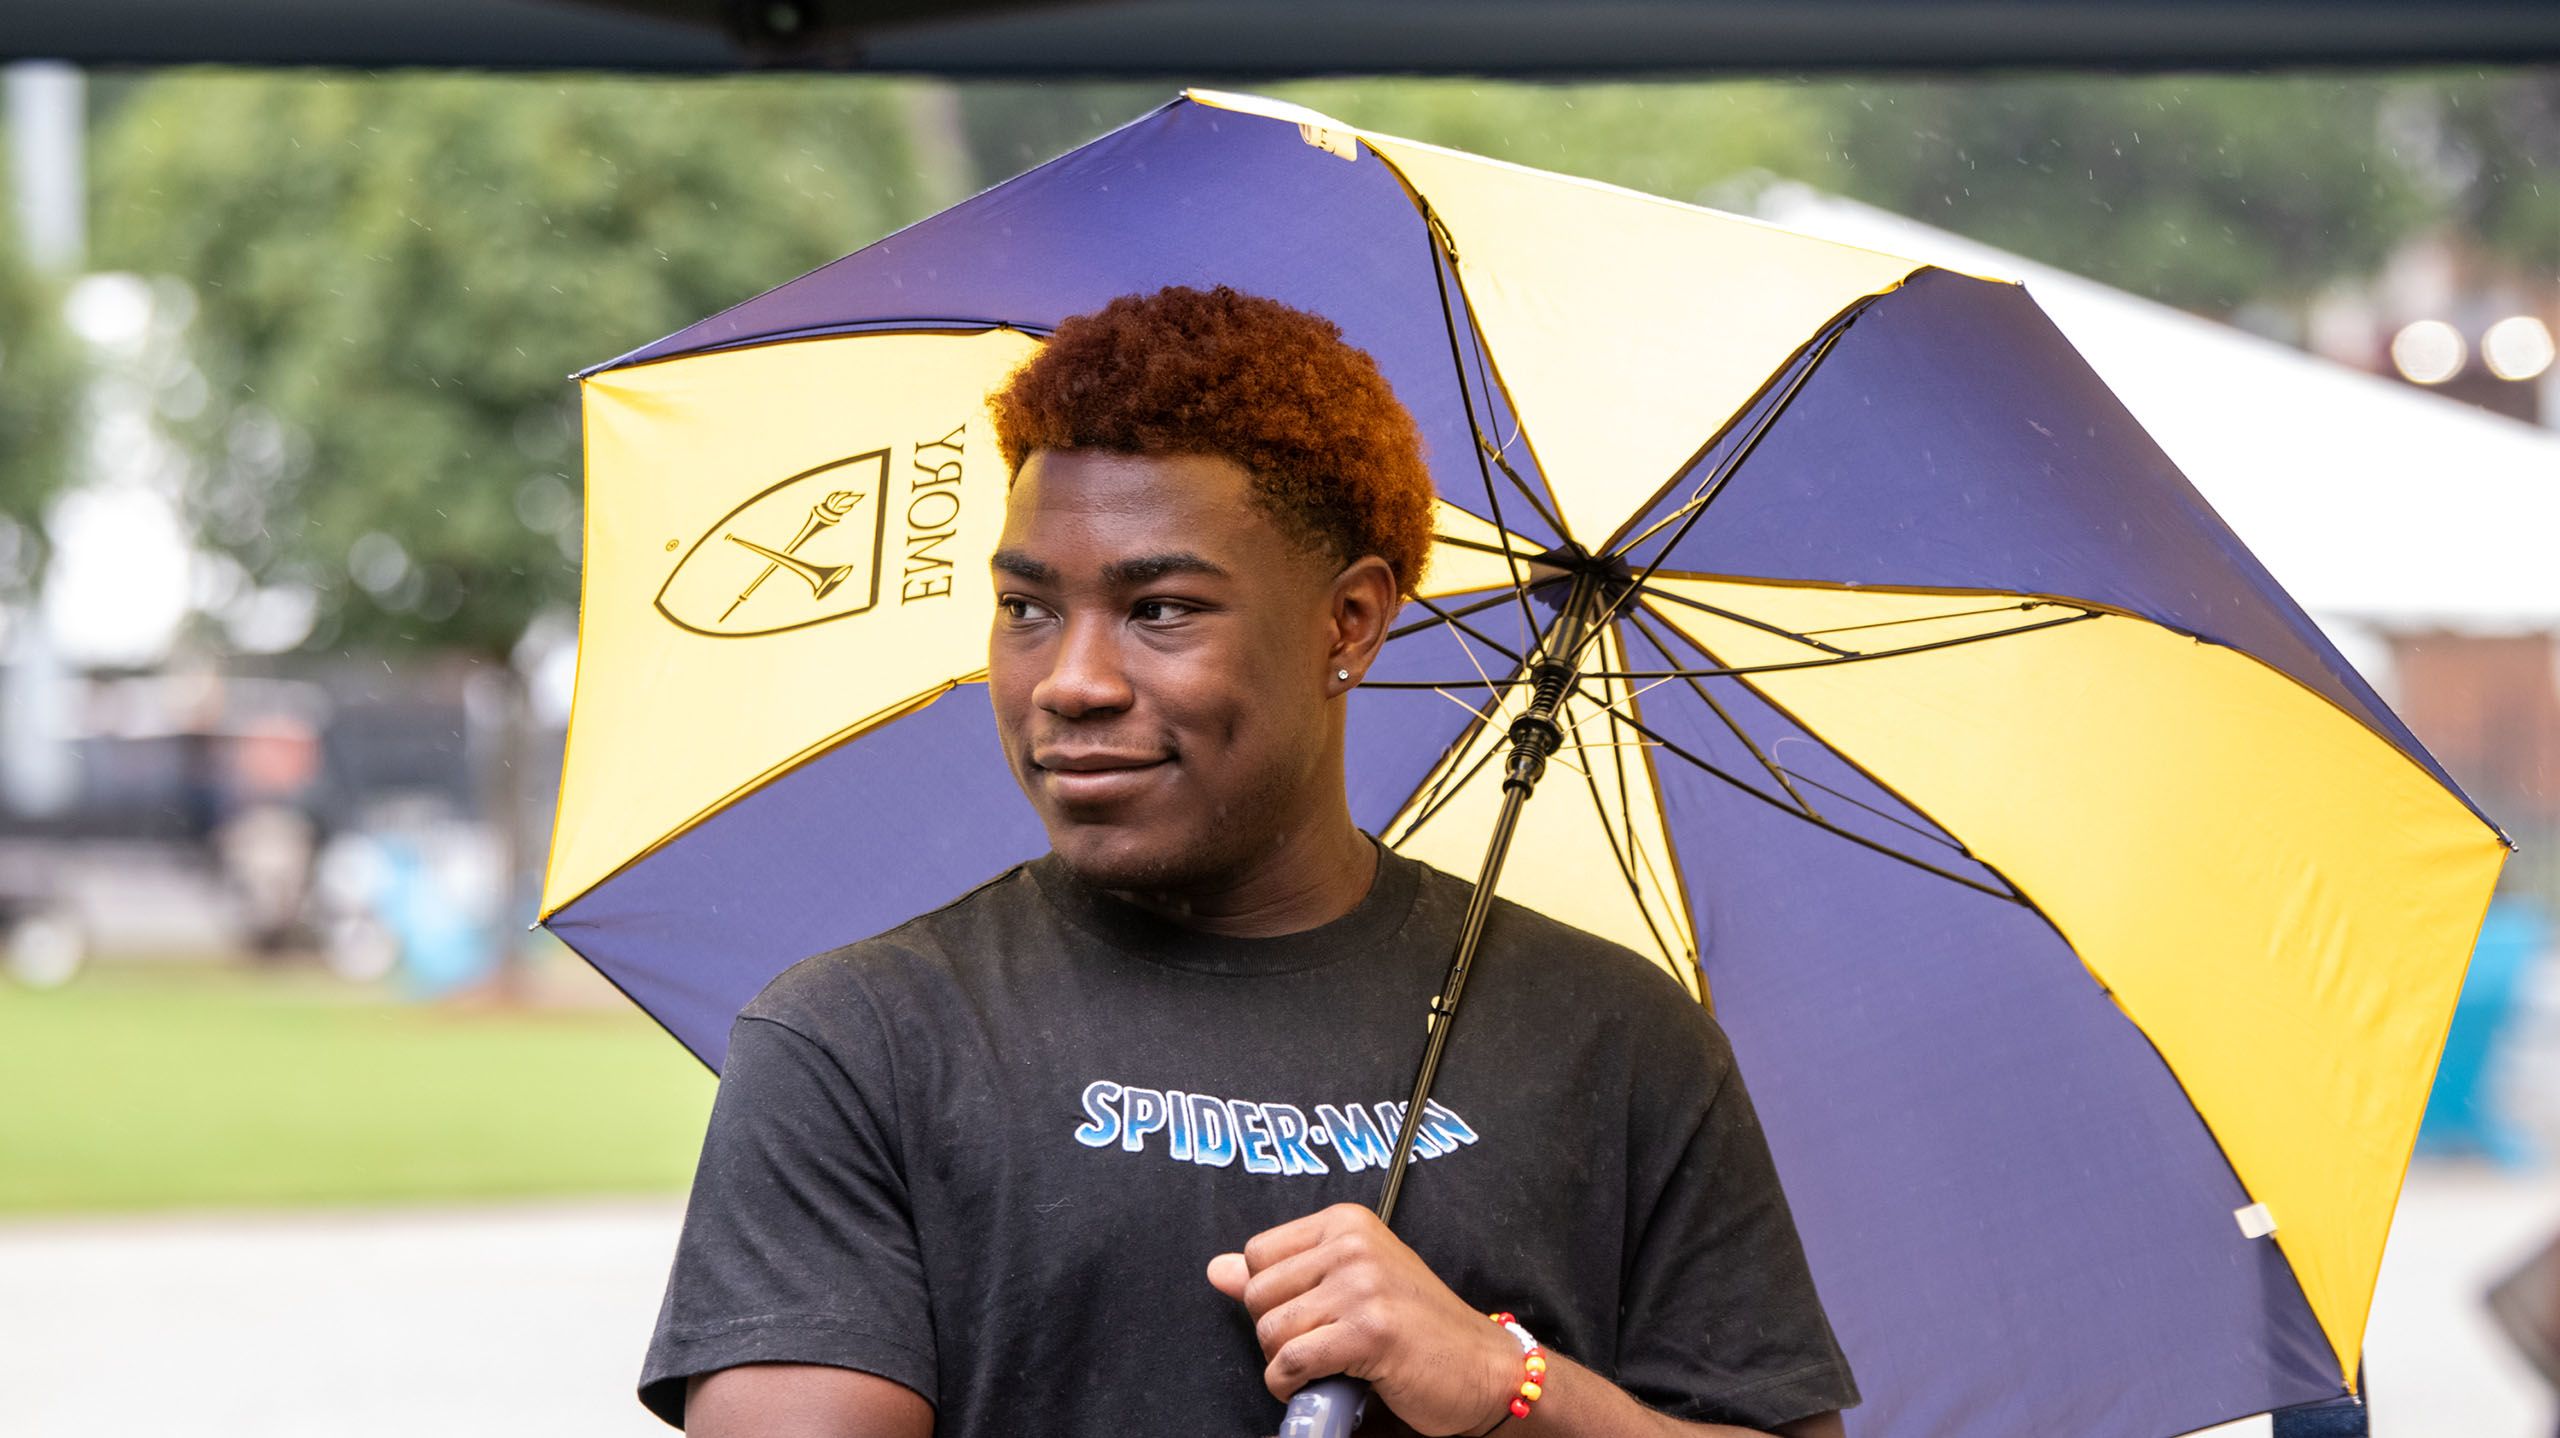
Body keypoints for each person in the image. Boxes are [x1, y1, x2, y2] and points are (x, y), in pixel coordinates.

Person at [638, 284, 1860, 1438]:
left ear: (1351, 622)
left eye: (1160, 608)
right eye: (1027, 608)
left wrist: (1505, 1383)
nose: (1070, 681)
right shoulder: (863, 1043)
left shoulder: (1616, 1036)